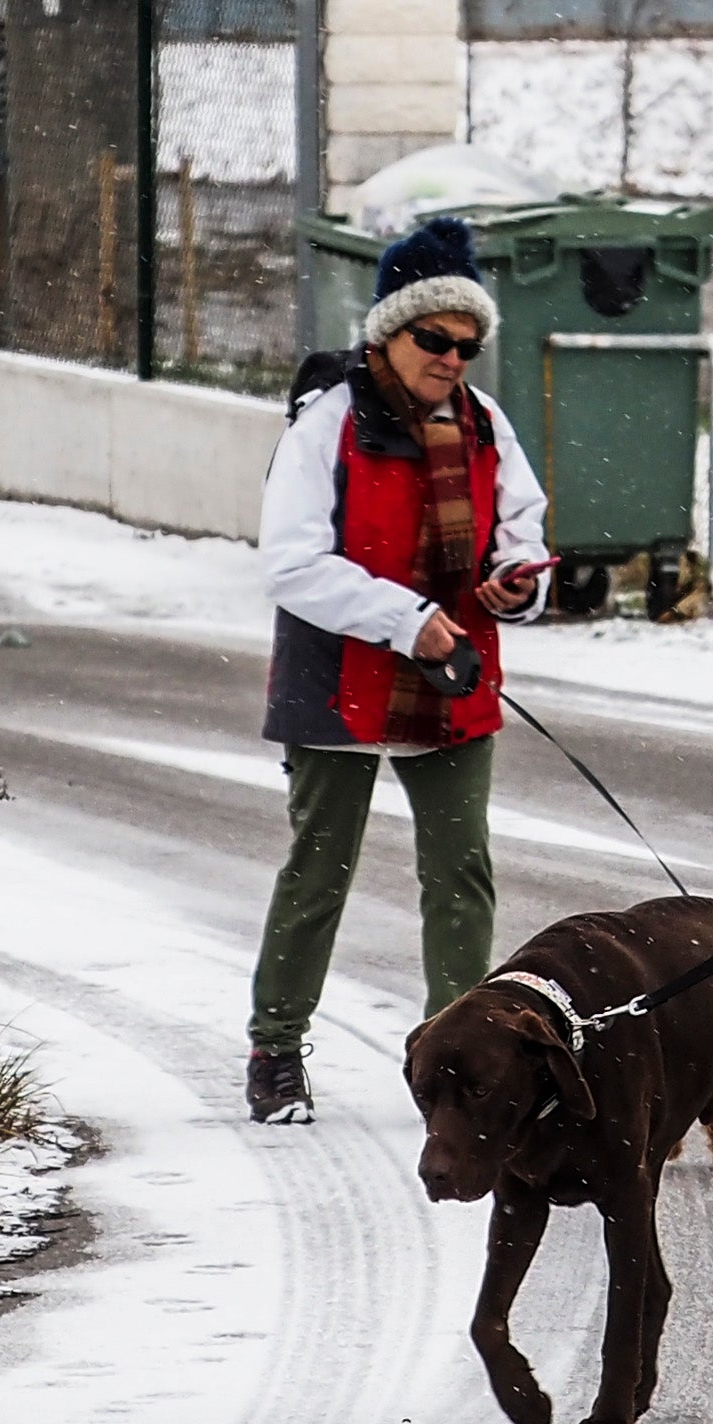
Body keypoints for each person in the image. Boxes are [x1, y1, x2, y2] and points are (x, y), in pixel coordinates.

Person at [248, 215, 554, 1125]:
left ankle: (459, 1061)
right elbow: (292, 563)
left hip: (452, 677)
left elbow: (524, 526)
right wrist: (406, 620)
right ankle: (276, 1047)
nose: (455, 358)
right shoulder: (329, 421)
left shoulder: (485, 424)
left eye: (470, 343)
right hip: (339, 675)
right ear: (390, 330)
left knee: (461, 872)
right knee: (319, 867)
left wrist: (514, 584)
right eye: (437, 339)